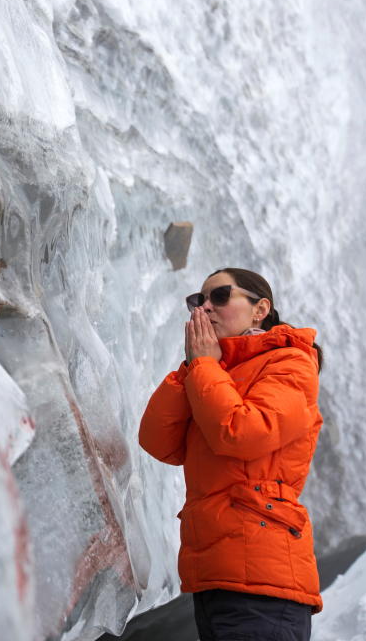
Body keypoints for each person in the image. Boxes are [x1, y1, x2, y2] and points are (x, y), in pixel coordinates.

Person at [139, 268, 324, 641]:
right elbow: (158, 442)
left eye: (220, 296)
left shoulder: (290, 363)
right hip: (215, 573)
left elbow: (242, 433)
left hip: (262, 575)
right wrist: (193, 365)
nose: (205, 307)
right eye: (198, 300)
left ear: (260, 310)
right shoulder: (216, 373)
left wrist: (205, 365)